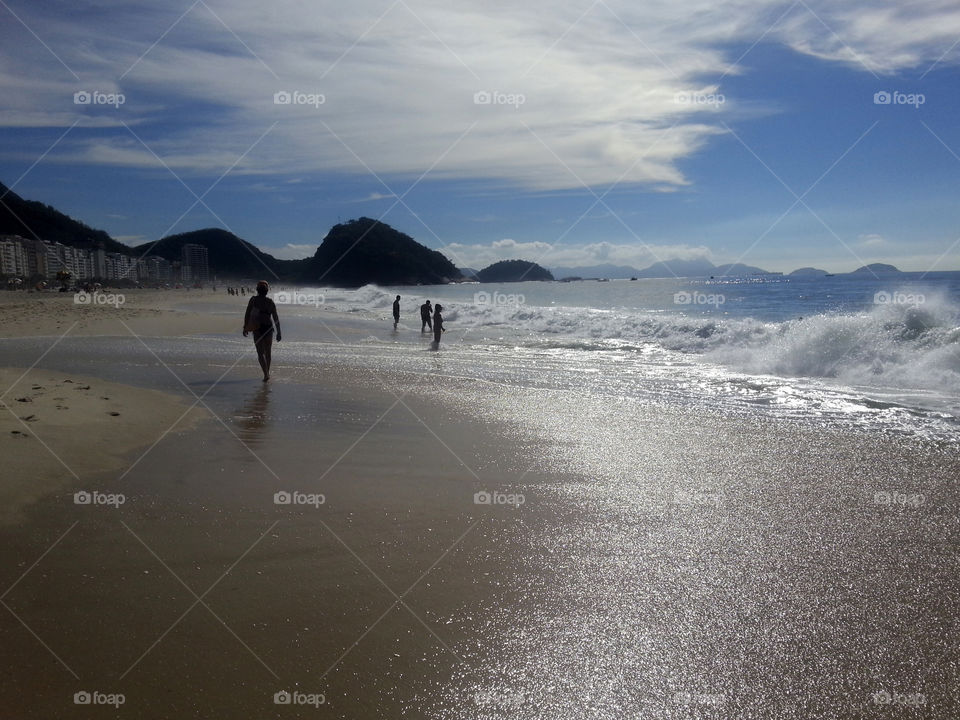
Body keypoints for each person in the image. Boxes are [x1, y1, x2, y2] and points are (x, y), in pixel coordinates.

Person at [243, 280, 281, 381]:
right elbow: (276, 318)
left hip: (257, 329)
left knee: (260, 353)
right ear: (267, 291)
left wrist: (245, 327)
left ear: (257, 290)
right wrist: (279, 332)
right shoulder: (270, 302)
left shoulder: (253, 300)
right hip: (268, 328)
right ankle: (267, 372)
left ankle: (266, 374)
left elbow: (247, 314)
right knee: (268, 352)